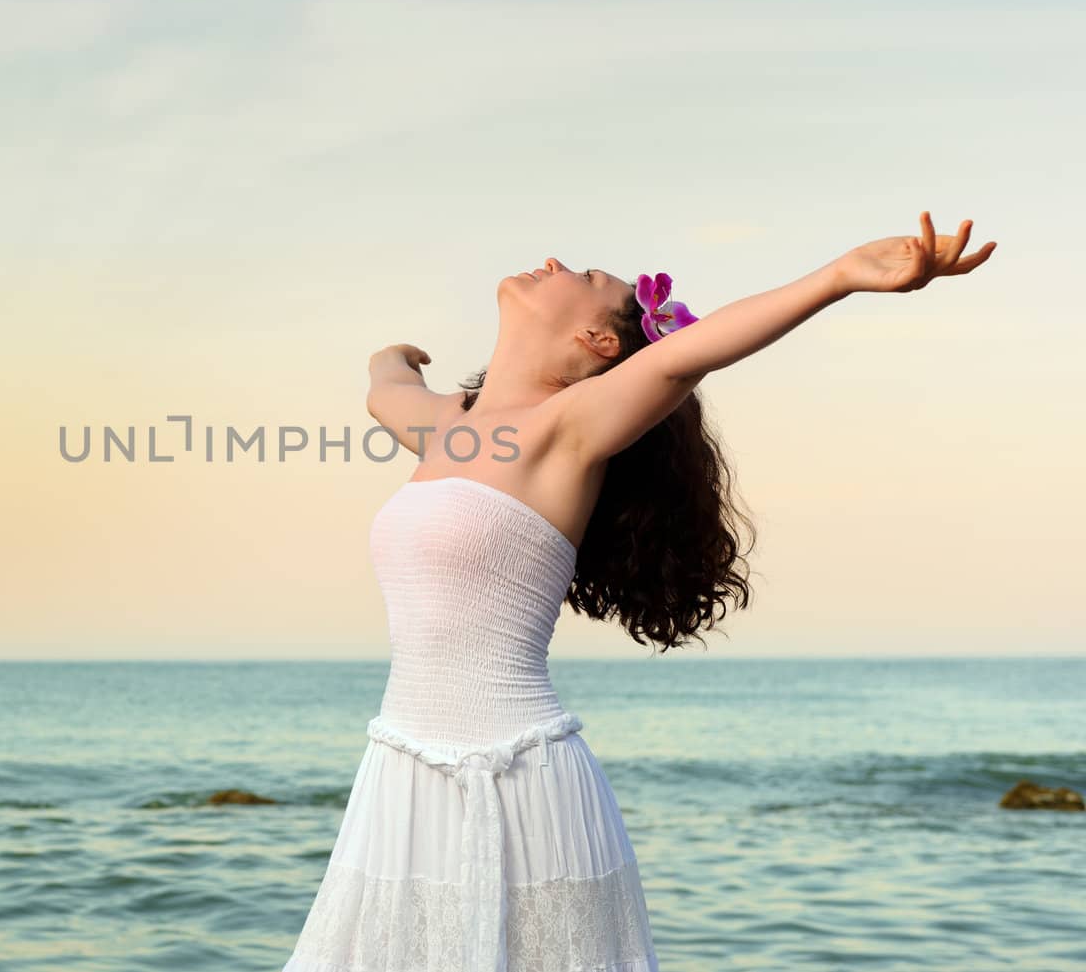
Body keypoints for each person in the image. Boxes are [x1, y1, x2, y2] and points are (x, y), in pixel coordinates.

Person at [281, 213, 997, 971]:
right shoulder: (454, 431)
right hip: (401, 778)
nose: (556, 259)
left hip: (524, 780)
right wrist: (385, 358)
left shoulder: (569, 427)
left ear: (600, 344)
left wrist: (839, 275)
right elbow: (386, 392)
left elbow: (690, 355)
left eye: (587, 277)